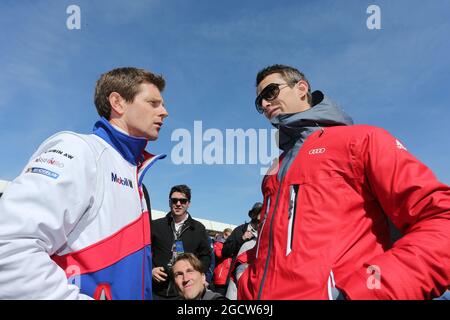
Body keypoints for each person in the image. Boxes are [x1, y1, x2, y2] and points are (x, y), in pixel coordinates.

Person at [238, 64, 450, 300]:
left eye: (270, 92)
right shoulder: (275, 167)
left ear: (301, 88)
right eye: (259, 102)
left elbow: (441, 219)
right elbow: (270, 244)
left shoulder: (361, 140)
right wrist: (244, 276)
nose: (265, 104)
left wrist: (365, 291)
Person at [0, 67, 168, 299]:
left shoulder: (135, 176)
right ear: (118, 103)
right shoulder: (80, 150)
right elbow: (9, 246)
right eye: (153, 102)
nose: (164, 112)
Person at [151, 184, 211, 300]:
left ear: (188, 203)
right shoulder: (156, 225)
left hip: (185, 291)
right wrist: (151, 269)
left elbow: (206, 257)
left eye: (183, 201)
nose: (178, 204)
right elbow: (145, 253)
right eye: (174, 200)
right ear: (169, 202)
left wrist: (196, 276)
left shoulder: (198, 228)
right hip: (157, 291)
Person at [212, 228, 232, 295]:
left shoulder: (231, 245)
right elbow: (219, 254)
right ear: (223, 234)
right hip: (220, 274)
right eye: (226, 235)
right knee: (218, 295)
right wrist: (229, 251)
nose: (227, 237)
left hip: (228, 276)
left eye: (229, 236)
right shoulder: (218, 243)